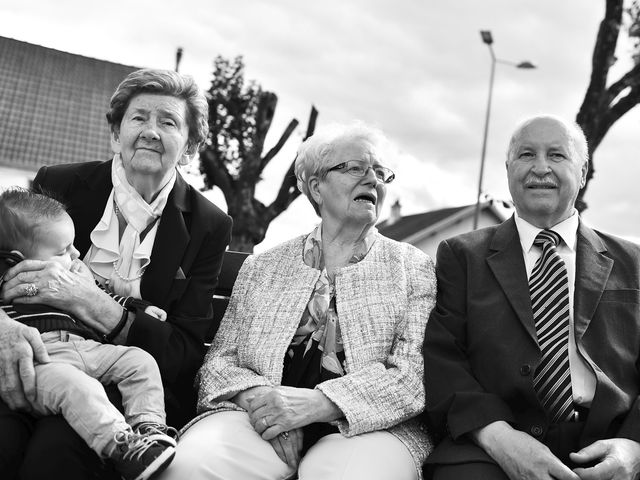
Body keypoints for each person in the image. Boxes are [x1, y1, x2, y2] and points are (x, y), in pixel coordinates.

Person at [159, 122, 436, 480]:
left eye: (381, 173)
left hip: (372, 429)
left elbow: (413, 378)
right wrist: (269, 405)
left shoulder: (413, 268)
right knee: (192, 466)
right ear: (316, 187)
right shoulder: (263, 267)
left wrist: (317, 405)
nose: (373, 180)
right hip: (261, 420)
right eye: (355, 168)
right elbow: (218, 365)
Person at [0, 68, 232, 480]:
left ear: (191, 145)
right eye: (139, 117)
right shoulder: (59, 183)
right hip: (33, 352)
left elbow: (184, 351)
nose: (150, 131)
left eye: (168, 122)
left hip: (127, 382)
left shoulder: (208, 224)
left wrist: (90, 301)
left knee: (58, 452)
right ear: (115, 132)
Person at [423, 114, 640, 480]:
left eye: (556, 155)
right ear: (508, 169)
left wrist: (634, 446)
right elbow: (443, 359)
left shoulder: (634, 263)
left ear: (583, 172)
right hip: (491, 443)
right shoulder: (461, 257)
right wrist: (497, 437)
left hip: (610, 441)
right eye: (526, 155)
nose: (540, 168)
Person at [0, 188, 178, 480]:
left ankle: (149, 427)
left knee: (139, 361)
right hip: (42, 360)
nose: (76, 253)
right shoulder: (5, 276)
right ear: (17, 260)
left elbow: (101, 292)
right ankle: (123, 448)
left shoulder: (73, 270)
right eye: (63, 251)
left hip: (85, 347)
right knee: (80, 389)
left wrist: (139, 307)